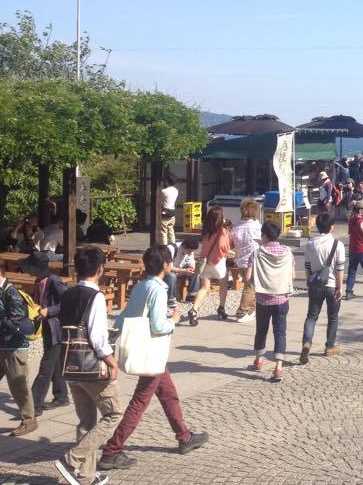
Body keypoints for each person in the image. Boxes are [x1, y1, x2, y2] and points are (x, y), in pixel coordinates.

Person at [97, 247, 208, 470]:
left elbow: (125, 317)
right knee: (140, 401)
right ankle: (112, 450)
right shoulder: (158, 289)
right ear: (166, 265)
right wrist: (174, 319)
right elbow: (158, 326)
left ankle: (184, 436)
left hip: (148, 350)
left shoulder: (140, 286)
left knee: (168, 394)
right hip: (152, 351)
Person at [54, 246, 121, 485]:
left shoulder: (69, 294)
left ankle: (86, 476)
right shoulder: (96, 296)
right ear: (100, 269)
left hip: (70, 364)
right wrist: (112, 361)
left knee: (86, 422)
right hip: (92, 367)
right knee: (113, 413)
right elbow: (98, 338)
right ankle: (71, 460)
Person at [0, 255, 37, 436]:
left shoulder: (11, 292)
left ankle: (29, 420)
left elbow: (16, 320)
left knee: (18, 386)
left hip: (14, 347)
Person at [22, 250, 69, 417]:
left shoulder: (54, 281)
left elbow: (68, 301)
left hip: (56, 329)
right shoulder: (39, 280)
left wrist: (50, 310)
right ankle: (61, 396)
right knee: (54, 363)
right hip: (47, 327)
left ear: (38, 268)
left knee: (46, 366)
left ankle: (34, 404)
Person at [248, 221, 295, 383]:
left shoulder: (256, 253)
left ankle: (259, 360)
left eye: (262, 235)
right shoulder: (288, 253)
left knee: (261, 329)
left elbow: (248, 277)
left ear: (265, 236)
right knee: (280, 332)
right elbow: (293, 274)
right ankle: (278, 367)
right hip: (282, 298)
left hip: (263, 298)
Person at [299, 213, 345, 363]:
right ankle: (330, 346)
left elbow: (307, 266)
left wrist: (308, 281)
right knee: (333, 316)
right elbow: (339, 268)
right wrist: (340, 286)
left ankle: (307, 343)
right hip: (331, 284)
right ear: (331, 226)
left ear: (317, 226)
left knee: (311, 316)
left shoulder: (310, 243)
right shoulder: (337, 244)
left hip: (315, 284)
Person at [188, 206, 232, 326]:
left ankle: (194, 309)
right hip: (218, 262)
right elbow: (224, 246)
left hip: (205, 262)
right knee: (223, 284)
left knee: (204, 287)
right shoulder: (223, 229)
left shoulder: (206, 229)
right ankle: (221, 308)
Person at [229, 199, 261, 324]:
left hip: (240, 260)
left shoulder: (236, 227)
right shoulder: (256, 227)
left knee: (252, 286)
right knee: (250, 286)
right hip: (252, 262)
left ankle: (251, 309)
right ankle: (241, 312)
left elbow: (231, 244)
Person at [158, 174, 178, 250]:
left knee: (163, 231)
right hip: (172, 213)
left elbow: (158, 198)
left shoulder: (164, 191)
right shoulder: (176, 190)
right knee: (171, 230)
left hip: (165, 213)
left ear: (166, 181)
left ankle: (164, 248)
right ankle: (174, 246)